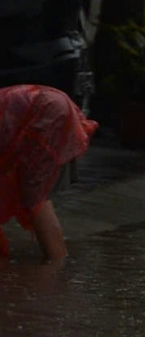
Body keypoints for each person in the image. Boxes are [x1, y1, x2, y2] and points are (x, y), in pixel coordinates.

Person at [1, 83, 96, 263]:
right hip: (49, 102)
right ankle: (57, 262)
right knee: (35, 194)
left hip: (44, 110)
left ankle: (56, 265)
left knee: (35, 197)